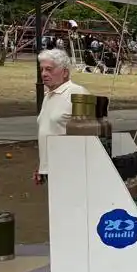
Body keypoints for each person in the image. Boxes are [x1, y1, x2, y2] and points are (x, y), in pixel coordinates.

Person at [36, 49, 88, 184]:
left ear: (65, 72)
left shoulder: (78, 93)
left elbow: (89, 135)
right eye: (42, 70)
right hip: (51, 170)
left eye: (49, 69)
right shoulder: (49, 95)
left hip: (71, 170)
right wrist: (43, 167)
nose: (44, 74)